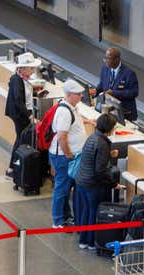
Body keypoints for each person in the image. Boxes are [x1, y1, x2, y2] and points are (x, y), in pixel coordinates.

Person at [75, 114, 120, 250]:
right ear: (109, 128)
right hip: (92, 184)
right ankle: (90, 243)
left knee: (86, 210)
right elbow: (100, 170)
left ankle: (83, 240)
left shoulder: (93, 137)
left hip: (81, 180)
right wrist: (113, 184)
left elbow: (92, 157)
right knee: (93, 211)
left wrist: (108, 154)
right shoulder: (102, 143)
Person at [49, 79, 87, 228]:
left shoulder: (72, 108)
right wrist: (68, 154)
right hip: (63, 157)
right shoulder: (64, 111)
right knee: (62, 188)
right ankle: (58, 220)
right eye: (78, 94)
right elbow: (61, 136)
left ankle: (65, 216)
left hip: (67, 156)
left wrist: (87, 122)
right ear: (70, 95)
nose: (81, 96)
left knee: (65, 187)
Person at [4, 52, 40, 178]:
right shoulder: (17, 81)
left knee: (20, 139)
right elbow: (19, 101)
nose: (33, 70)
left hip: (22, 113)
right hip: (20, 116)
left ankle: (14, 167)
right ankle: (11, 169)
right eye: (31, 68)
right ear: (22, 68)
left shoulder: (22, 79)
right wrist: (30, 116)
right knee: (20, 140)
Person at [95, 47, 139, 120]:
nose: (105, 60)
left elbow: (134, 92)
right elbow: (102, 84)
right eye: (105, 58)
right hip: (108, 109)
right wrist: (95, 91)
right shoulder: (105, 68)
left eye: (108, 58)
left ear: (117, 59)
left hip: (124, 113)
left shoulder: (129, 73)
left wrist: (114, 93)